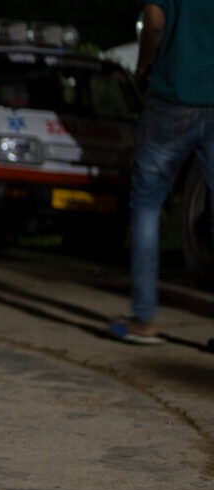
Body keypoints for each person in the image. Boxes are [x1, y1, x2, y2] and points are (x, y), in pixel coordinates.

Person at [111, 0, 214, 344]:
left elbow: (154, 20)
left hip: (172, 97)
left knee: (147, 202)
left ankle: (144, 320)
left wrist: (144, 65)